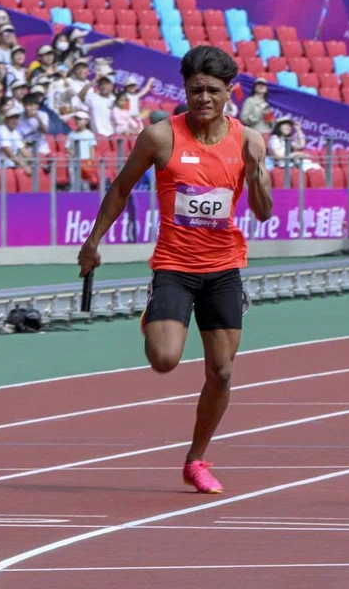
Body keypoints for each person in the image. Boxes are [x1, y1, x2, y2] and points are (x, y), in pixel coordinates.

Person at [77, 45, 273, 494]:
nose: (203, 98)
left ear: (229, 93)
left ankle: (196, 459)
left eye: (213, 90)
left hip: (224, 268)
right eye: (195, 89)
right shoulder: (160, 137)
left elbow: (261, 212)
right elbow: (121, 188)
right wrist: (92, 243)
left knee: (221, 372)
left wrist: (259, 175)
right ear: (185, 90)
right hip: (175, 265)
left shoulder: (248, 140)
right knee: (164, 359)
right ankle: (156, 313)